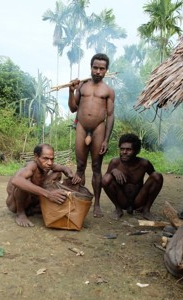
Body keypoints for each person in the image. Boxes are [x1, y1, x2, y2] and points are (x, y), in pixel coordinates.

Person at [68, 53, 115, 218]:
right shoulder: (82, 86)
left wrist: (106, 140)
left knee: (96, 168)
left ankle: (97, 205)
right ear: (91, 68)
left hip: (98, 129)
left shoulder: (108, 91)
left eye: (102, 68)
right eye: (95, 67)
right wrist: (71, 90)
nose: (98, 71)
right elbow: (73, 108)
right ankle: (79, 200)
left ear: (106, 70)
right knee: (80, 167)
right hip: (81, 127)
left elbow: (110, 116)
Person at [6, 143, 74, 227]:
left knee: (57, 173)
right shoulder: (31, 166)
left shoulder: (47, 165)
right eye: (45, 158)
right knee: (24, 181)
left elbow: (63, 168)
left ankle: (35, 208)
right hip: (15, 204)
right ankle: (21, 213)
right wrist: (48, 194)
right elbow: (16, 180)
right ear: (36, 157)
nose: (49, 163)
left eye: (52, 159)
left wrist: (70, 175)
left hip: (32, 201)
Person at [102, 133, 163, 220]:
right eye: (122, 149)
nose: (124, 152)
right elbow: (104, 181)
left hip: (139, 200)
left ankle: (146, 210)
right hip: (122, 200)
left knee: (157, 176)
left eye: (128, 149)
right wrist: (112, 171)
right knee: (106, 178)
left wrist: (145, 203)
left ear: (136, 151)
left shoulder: (144, 164)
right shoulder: (115, 163)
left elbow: (155, 180)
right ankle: (118, 209)